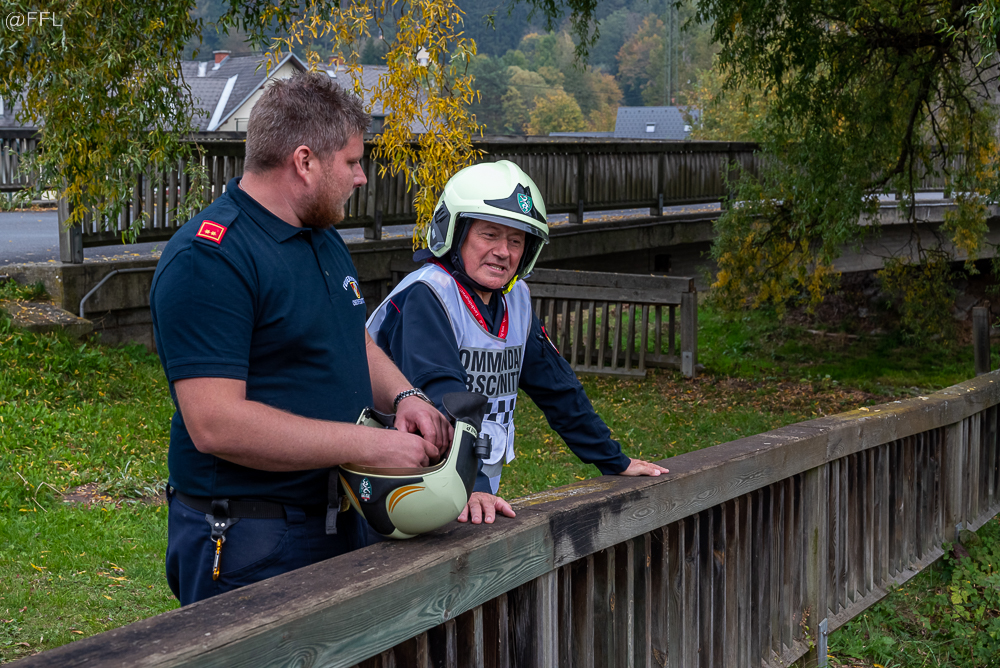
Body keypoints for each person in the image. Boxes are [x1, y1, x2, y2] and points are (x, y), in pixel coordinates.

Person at [149, 71, 452, 606]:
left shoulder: (322, 236)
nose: (361, 177)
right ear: (304, 161)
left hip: (339, 515)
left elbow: (350, 338)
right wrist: (373, 444)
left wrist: (405, 396)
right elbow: (215, 423)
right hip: (251, 536)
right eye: (352, 162)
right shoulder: (210, 259)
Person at [366, 160, 669, 525]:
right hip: (399, 488)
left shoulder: (515, 299)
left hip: (461, 489)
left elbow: (557, 388)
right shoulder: (427, 294)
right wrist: (472, 484)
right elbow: (442, 396)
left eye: (516, 240)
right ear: (455, 232)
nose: (503, 251)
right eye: (489, 234)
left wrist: (613, 459)